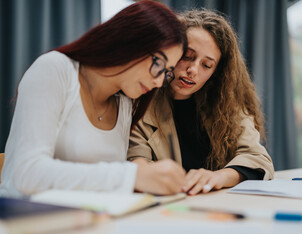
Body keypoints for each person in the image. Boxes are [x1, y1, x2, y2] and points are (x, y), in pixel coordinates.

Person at [0, 0, 188, 198]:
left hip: (86, 219)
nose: (159, 82)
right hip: (26, 219)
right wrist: (132, 175)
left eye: (166, 73)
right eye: (159, 64)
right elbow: (27, 174)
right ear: (129, 39)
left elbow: (102, 180)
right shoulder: (55, 69)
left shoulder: (124, 103)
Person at [128, 9, 274, 196]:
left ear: (216, 72)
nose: (193, 70)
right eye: (187, 56)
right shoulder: (141, 105)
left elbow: (259, 159)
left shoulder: (227, 105)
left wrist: (219, 177)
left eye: (206, 65)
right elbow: (138, 167)